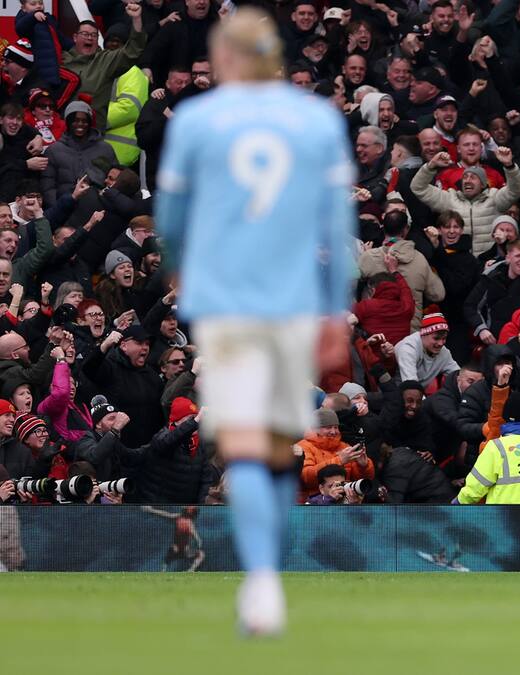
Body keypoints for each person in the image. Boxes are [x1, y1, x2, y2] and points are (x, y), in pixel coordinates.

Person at [154, 9, 355, 637]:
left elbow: (172, 218)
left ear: (226, 60)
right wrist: (334, 305)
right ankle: (268, 577)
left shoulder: (195, 119)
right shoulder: (318, 119)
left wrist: (184, 276)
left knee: (243, 445)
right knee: (274, 446)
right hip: (293, 298)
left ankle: (261, 583)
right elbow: (336, 223)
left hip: (228, 300)